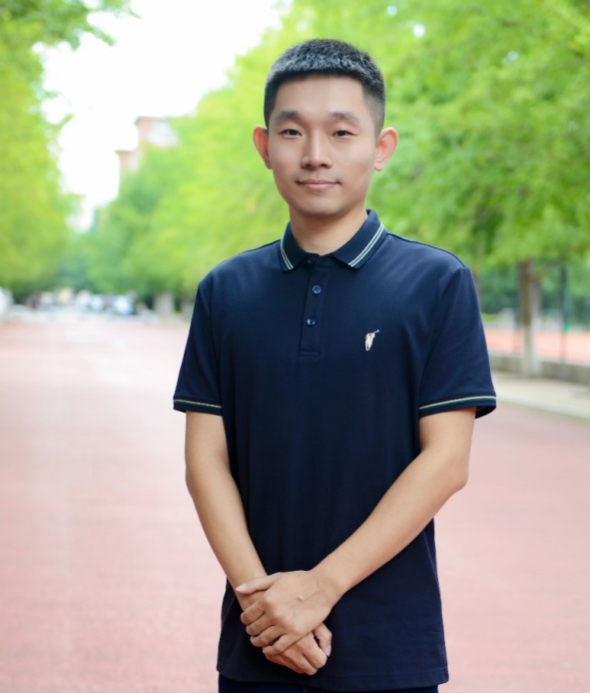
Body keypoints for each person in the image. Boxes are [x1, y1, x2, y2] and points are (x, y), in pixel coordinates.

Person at [173, 38, 496, 693]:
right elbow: (205, 461)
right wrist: (265, 607)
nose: (315, 153)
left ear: (381, 146)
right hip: (257, 641)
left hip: (390, 645)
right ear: (264, 146)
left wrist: (318, 589)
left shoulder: (436, 283)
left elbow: (446, 461)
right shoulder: (225, 291)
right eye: (292, 131)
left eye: (342, 132)